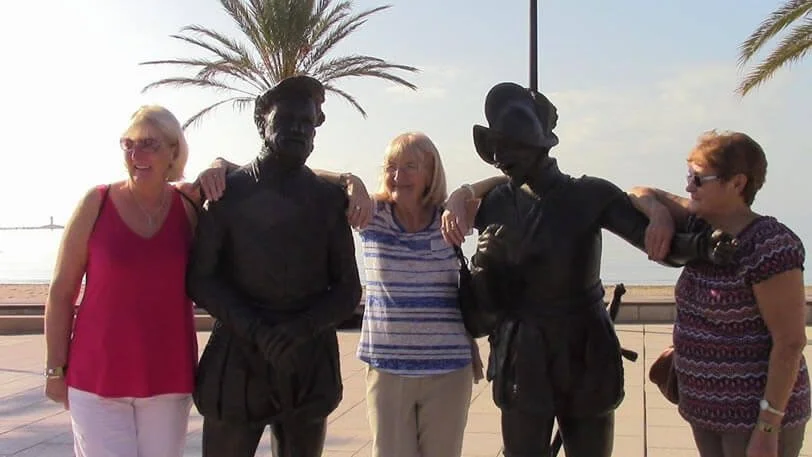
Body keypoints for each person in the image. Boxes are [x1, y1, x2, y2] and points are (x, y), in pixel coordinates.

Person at [464, 82, 737, 457]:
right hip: (522, 351)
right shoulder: (492, 203)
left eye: (508, 146)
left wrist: (704, 245)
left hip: (584, 347)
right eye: (495, 149)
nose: (500, 157)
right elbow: (480, 303)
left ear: (537, 145)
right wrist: (485, 262)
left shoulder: (590, 194)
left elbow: (653, 242)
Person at [185, 75, 362, 457]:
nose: (299, 129)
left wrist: (301, 328)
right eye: (288, 120)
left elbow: (349, 289)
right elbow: (201, 279)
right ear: (262, 122)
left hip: (307, 358)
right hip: (238, 355)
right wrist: (256, 329)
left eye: (308, 123)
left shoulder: (329, 201)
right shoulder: (226, 194)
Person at [43, 105, 225, 457]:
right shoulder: (96, 203)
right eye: (128, 144)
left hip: (168, 377)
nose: (136, 155)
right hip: (96, 378)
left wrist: (346, 181)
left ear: (174, 151)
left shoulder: (188, 206)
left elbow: (263, 170)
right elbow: (61, 292)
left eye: (149, 145)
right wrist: (54, 369)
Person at [628, 130, 810, 457]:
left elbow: (790, 342)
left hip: (751, 420)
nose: (688, 187)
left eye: (698, 180)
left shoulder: (770, 246)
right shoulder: (701, 225)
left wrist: (767, 428)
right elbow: (640, 192)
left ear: (737, 184)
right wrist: (660, 216)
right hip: (705, 411)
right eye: (689, 176)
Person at [311, 132, 491, 457]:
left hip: (448, 371)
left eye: (410, 166)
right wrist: (349, 180)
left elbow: (508, 180)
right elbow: (302, 175)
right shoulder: (370, 214)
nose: (398, 176)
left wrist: (461, 194)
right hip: (387, 370)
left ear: (431, 172)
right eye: (392, 166)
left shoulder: (452, 217)